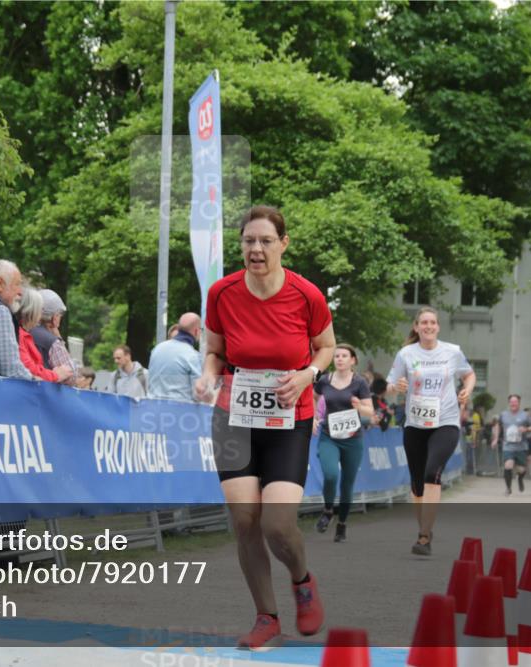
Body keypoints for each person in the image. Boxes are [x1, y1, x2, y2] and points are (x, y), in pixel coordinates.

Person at [193, 205, 335, 649]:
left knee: (277, 524)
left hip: (290, 416)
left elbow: (326, 347)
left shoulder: (306, 295)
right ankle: (266, 616)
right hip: (233, 415)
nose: (256, 249)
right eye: (249, 241)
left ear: (283, 244)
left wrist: (307, 375)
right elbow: (215, 351)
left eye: (266, 241)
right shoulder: (222, 293)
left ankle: (302, 580)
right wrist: (208, 376)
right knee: (244, 519)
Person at [386, 306, 476, 556]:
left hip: (445, 421)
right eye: (423, 322)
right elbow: (390, 386)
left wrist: (467, 390)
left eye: (432, 322)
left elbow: (469, 375)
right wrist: (397, 387)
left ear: (438, 326)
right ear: (416, 327)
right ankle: (424, 527)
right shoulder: (405, 354)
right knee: (417, 485)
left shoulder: (452, 351)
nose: (428, 326)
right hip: (415, 424)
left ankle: (424, 536)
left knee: (431, 473)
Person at [312, 344, 374, 542]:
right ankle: (328, 510)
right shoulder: (324, 381)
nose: (339, 359)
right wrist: (314, 418)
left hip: (352, 439)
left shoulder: (359, 382)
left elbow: (370, 411)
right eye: (336, 356)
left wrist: (359, 406)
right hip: (329, 436)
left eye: (344, 356)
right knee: (331, 475)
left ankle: (342, 525)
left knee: (347, 484)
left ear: (352, 360)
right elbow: (312, 398)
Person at [17, 287, 73, 383]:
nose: (40, 315)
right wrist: (55, 375)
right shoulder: (21, 334)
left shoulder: (26, 334)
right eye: (40, 310)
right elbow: (29, 368)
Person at [148, 312, 203, 402]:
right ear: (197, 331)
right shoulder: (192, 355)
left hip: (152, 406)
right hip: (179, 408)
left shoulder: (157, 349)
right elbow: (198, 394)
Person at [491, 394, 531, 496]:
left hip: (521, 446)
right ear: (509, 403)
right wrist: (495, 438)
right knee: (508, 465)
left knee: (521, 469)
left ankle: (520, 478)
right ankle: (508, 488)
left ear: (519, 403)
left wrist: (526, 429)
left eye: (515, 402)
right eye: (511, 402)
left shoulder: (525, 415)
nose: (513, 404)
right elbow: (497, 425)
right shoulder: (503, 414)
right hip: (508, 445)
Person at [31, 288, 77, 386]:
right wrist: (59, 339)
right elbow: (72, 377)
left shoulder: (22, 330)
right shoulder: (52, 342)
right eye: (60, 315)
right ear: (55, 317)